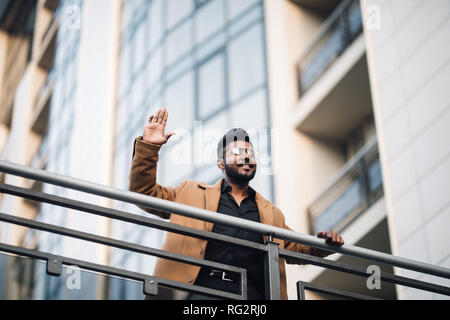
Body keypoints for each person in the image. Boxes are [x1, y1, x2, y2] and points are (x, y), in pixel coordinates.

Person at [129, 108, 344, 300]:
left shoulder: (270, 213)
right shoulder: (190, 193)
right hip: (200, 294)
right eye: (238, 153)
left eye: (250, 153)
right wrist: (149, 147)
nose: (247, 157)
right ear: (220, 163)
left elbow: (296, 248)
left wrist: (323, 244)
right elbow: (144, 192)